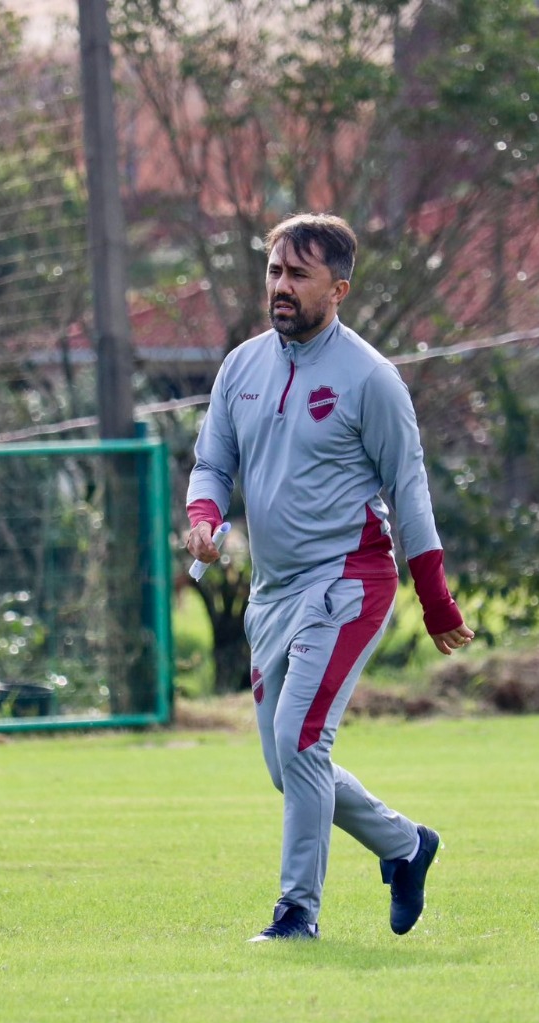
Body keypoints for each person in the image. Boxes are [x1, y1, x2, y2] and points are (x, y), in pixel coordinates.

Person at [185, 213, 474, 942]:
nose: (280, 287)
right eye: (275, 272)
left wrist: (436, 599)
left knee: (303, 741)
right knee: (289, 765)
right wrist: (205, 515)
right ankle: (406, 845)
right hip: (273, 590)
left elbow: (409, 490)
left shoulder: (370, 378)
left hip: (349, 579)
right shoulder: (243, 365)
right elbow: (213, 463)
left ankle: (296, 914)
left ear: (339, 289)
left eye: (298, 275)